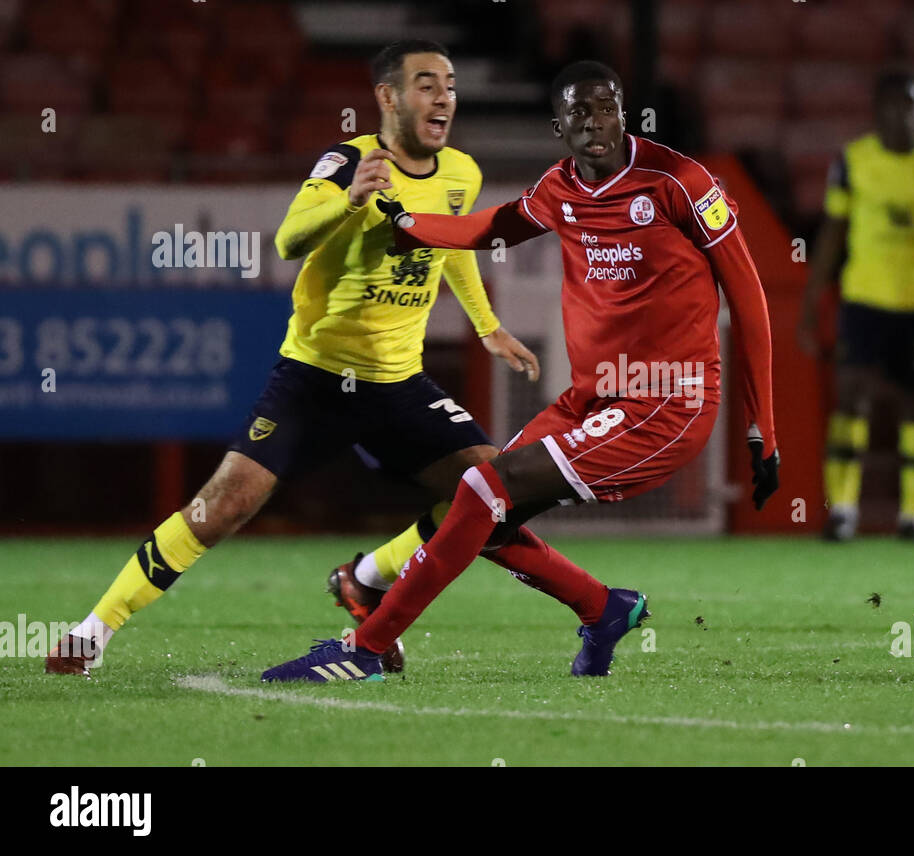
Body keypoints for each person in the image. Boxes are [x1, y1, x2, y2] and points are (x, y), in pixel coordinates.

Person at [44, 39, 605, 677]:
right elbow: (288, 239)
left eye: (449, 83)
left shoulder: (462, 173)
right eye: (426, 83)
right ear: (388, 98)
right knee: (223, 505)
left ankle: (367, 580)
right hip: (315, 377)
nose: (443, 95)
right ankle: (91, 634)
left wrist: (487, 327)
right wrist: (350, 201)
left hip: (399, 383)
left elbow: (452, 246)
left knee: (492, 489)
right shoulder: (349, 160)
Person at [262, 60, 779, 682]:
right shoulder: (560, 187)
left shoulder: (678, 181)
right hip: (593, 397)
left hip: (665, 405)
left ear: (624, 111)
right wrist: (409, 225)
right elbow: (496, 225)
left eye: (606, 106)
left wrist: (762, 429)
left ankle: (365, 649)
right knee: (483, 513)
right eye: (579, 111)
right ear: (557, 125)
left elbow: (749, 299)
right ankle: (603, 608)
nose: (595, 122)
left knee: (483, 490)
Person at [798, 69, 914, 543]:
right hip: (863, 302)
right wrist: (812, 300)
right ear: (878, 111)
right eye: (893, 105)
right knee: (851, 397)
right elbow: (832, 233)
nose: (902, 114)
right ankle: (844, 513)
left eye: (911, 106)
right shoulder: (854, 161)